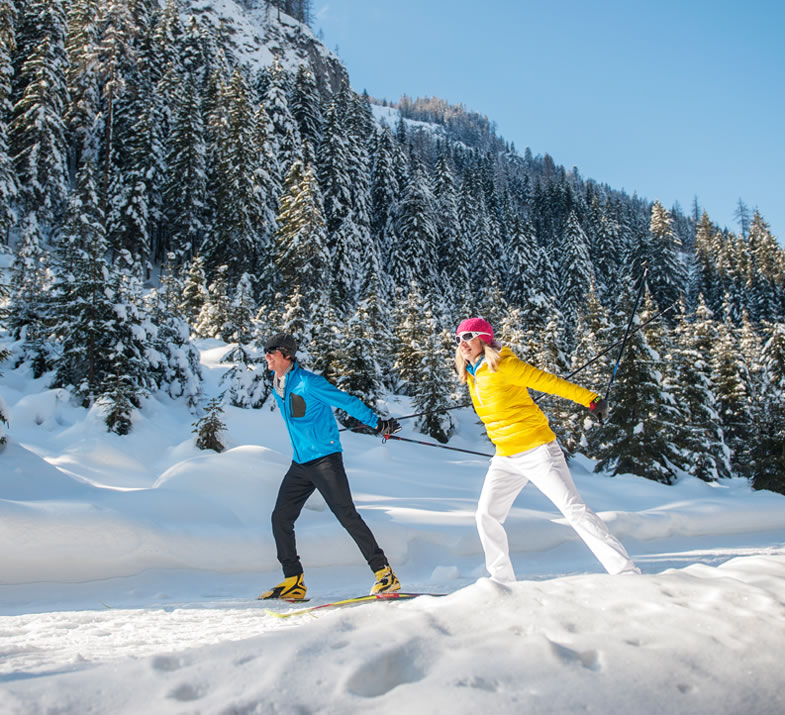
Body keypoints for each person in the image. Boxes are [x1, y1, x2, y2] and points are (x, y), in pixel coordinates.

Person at [454, 317, 640, 582]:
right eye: (458, 338)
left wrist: (591, 399)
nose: (462, 343)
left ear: (484, 338)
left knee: (573, 509)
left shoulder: (505, 365)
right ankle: (501, 581)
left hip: (537, 450)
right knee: (486, 515)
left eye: (468, 336)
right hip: (506, 456)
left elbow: (548, 382)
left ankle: (626, 572)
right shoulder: (473, 374)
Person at [259, 332, 403, 600]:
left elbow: (345, 401)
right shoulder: (277, 382)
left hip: (325, 460)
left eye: (272, 350)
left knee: (347, 516)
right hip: (300, 462)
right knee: (280, 518)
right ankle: (293, 581)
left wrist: (377, 423)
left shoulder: (308, 382)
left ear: (287, 355)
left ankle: (385, 575)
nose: (266, 354)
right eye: (265, 350)